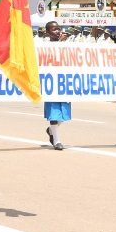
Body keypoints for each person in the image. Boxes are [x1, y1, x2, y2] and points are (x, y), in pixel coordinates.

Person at [43, 21, 70, 150]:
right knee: (54, 111)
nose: (58, 31)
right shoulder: (44, 45)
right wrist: (59, 44)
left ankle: (51, 130)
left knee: (64, 113)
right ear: (47, 33)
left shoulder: (66, 45)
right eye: (54, 30)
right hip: (51, 82)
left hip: (63, 81)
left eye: (58, 29)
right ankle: (57, 140)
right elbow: (49, 58)